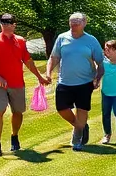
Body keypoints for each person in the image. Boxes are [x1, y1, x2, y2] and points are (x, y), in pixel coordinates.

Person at [0, 13, 49, 157]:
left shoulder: (20, 41)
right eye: (3, 23)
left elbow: (27, 60)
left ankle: (14, 136)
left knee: (18, 112)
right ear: (0, 24)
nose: (6, 25)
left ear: (14, 24)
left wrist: (39, 77)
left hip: (17, 82)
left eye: (9, 23)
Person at [46, 12, 104, 150]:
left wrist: (97, 78)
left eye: (77, 23)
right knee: (61, 109)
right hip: (64, 81)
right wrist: (48, 73)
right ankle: (81, 125)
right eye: (71, 22)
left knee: (82, 109)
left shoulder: (91, 40)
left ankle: (77, 138)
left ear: (84, 23)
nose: (73, 25)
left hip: (85, 82)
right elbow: (54, 58)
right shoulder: (62, 38)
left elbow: (100, 63)